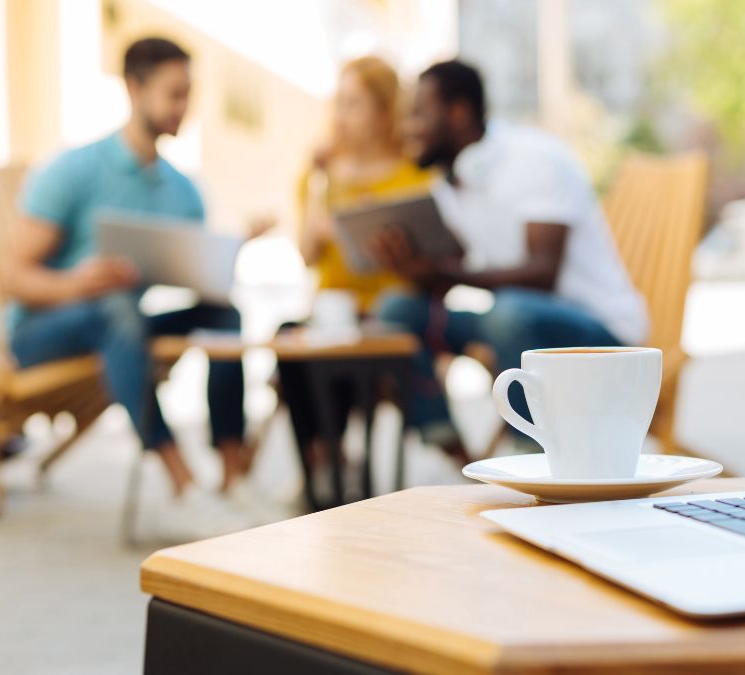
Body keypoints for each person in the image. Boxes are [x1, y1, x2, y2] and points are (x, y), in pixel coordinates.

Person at [3, 37, 263, 539]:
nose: (183, 108)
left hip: (120, 329)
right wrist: (78, 282)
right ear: (133, 88)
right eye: (173, 94)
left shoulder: (183, 192)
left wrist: (230, 253)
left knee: (223, 313)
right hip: (39, 334)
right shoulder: (73, 171)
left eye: (189, 94)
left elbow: (197, 281)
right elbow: (13, 278)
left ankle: (232, 479)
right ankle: (182, 487)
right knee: (116, 307)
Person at [371, 60, 649, 464]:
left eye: (418, 113)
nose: (408, 127)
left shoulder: (535, 158)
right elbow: (447, 280)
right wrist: (409, 267)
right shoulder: (448, 186)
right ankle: (455, 449)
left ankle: (531, 457)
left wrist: (444, 271)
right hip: (516, 324)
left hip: (600, 334)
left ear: (458, 112)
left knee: (509, 311)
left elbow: (542, 274)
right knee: (396, 310)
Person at [278, 57, 432, 502]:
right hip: (330, 310)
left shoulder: (413, 174)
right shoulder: (320, 176)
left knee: (348, 351)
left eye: (354, 104)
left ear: (385, 112)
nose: (341, 115)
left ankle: (334, 461)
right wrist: (321, 182)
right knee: (287, 339)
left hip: (384, 314)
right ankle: (321, 460)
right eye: (338, 103)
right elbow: (307, 254)